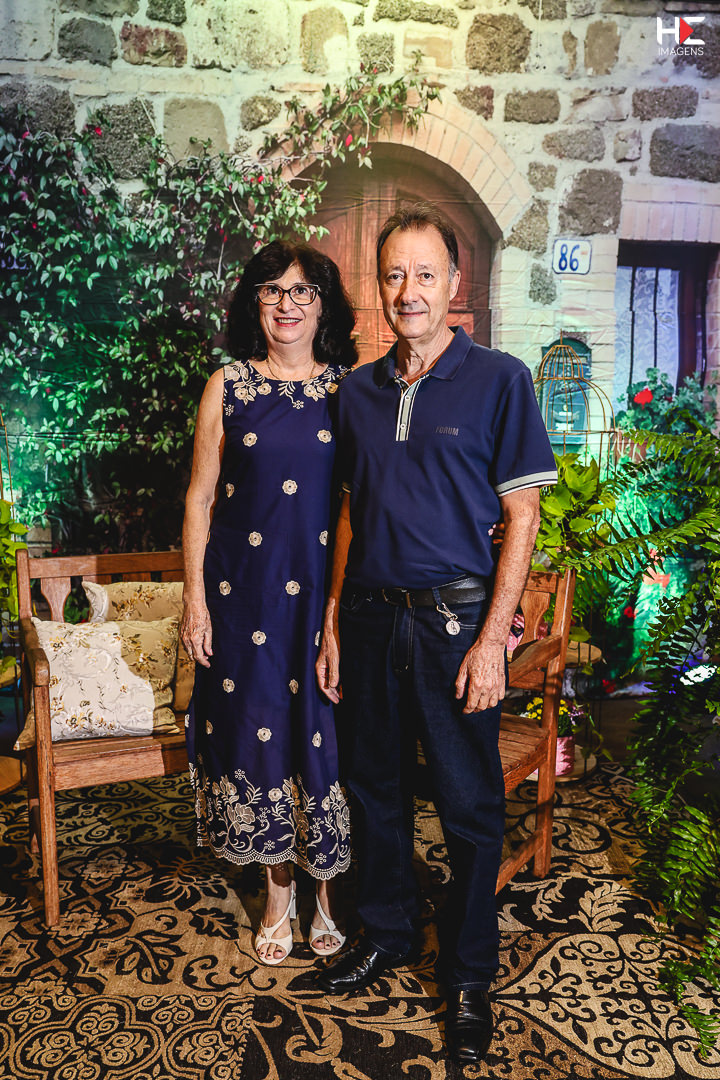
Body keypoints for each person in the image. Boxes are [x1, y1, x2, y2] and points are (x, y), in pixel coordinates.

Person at [315, 203, 557, 1066]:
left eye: (425, 274)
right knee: (372, 789)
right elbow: (348, 516)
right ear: (379, 288)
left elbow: (523, 516)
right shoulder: (357, 392)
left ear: (456, 282)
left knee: (468, 806)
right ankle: (385, 933)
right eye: (394, 275)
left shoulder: (500, 380)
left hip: (455, 626)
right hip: (370, 619)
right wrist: (334, 621)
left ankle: (468, 975)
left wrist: (492, 641)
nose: (409, 290)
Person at [182, 240, 357, 966]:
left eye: (303, 290)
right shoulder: (226, 386)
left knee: (322, 734)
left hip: (321, 599)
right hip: (243, 596)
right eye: (273, 290)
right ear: (254, 302)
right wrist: (195, 601)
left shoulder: (350, 391)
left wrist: (339, 610)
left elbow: (355, 504)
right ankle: (279, 894)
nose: (288, 304)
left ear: (324, 305)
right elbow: (199, 499)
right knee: (261, 734)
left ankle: (328, 892)